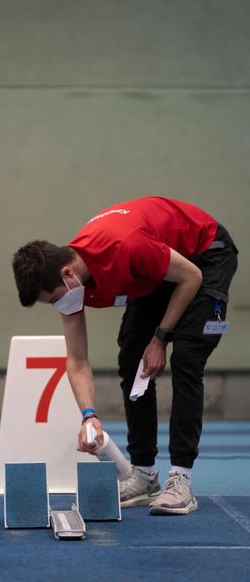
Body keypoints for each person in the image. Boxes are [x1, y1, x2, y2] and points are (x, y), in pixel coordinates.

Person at [12, 196, 238, 515]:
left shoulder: (125, 247)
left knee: (186, 358)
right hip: (157, 270)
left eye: (52, 300)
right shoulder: (70, 284)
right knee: (132, 358)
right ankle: (143, 475)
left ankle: (181, 479)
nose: (56, 307)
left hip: (204, 255)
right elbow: (77, 360)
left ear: (67, 273)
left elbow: (191, 277)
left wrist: (160, 337)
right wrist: (89, 414)